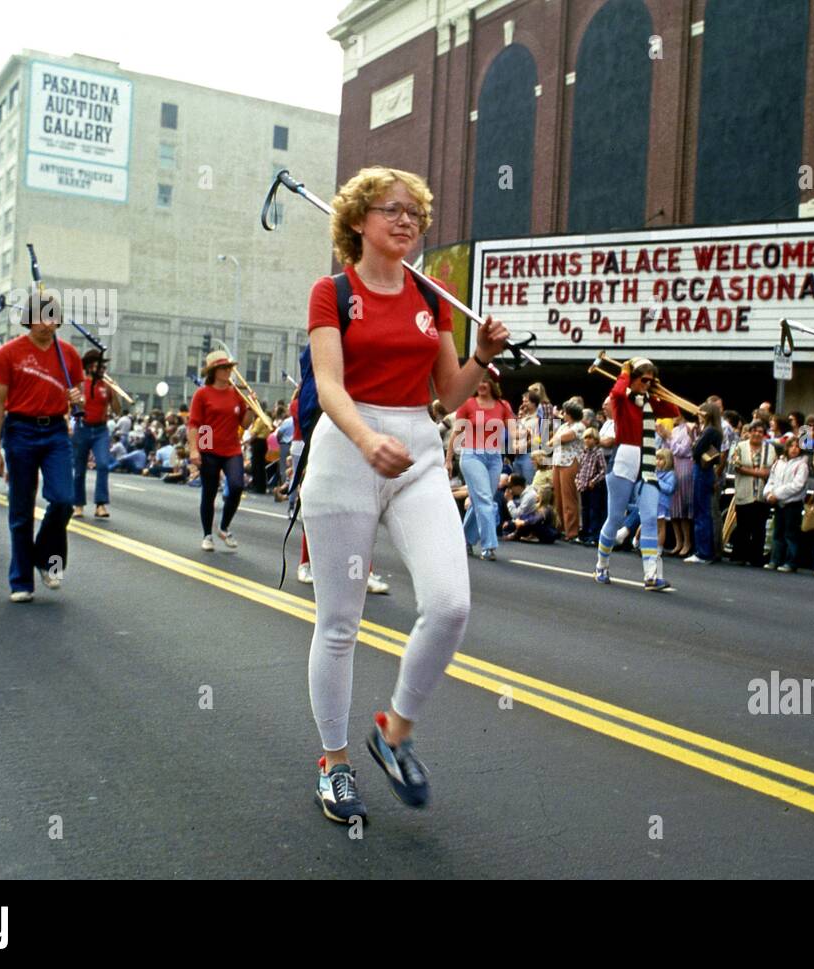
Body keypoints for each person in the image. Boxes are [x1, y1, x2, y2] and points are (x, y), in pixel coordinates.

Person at [299, 165, 509, 824]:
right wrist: (365, 440)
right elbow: (329, 386)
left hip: (417, 451)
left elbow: (446, 394)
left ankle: (393, 731)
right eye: (392, 210)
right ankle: (333, 763)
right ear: (359, 220)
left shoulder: (433, 294)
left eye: (415, 212)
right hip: (346, 452)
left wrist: (480, 357)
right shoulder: (331, 292)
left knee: (449, 603)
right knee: (340, 624)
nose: (407, 221)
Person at [0, 291, 86, 602]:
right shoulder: (9, 353)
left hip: (56, 430)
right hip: (20, 430)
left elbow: (78, 391)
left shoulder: (67, 353)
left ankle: (44, 557)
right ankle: (21, 581)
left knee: (64, 500)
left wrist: (77, 398)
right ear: (29, 319)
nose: (46, 324)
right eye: (41, 317)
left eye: (52, 317)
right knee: (21, 509)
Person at [593, 357, 679, 591]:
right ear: (633, 378)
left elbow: (673, 409)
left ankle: (652, 574)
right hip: (623, 459)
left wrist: (657, 387)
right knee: (615, 518)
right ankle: (602, 564)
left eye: (651, 381)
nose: (647, 384)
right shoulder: (622, 400)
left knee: (650, 517)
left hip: (647, 462)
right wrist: (625, 372)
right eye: (644, 380)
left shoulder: (650, 402)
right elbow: (617, 392)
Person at [187, 350, 256, 552]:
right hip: (208, 445)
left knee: (236, 486)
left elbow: (244, 423)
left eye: (229, 367)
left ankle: (224, 526)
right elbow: (194, 424)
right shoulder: (202, 393)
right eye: (223, 368)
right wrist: (194, 450)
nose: (228, 371)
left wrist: (251, 407)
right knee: (209, 492)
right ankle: (207, 534)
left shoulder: (237, 393)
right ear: (214, 371)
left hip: (232, 447)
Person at [449, 375, 514, 560]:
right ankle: (489, 546)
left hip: (494, 457)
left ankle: (464, 541)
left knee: (480, 500)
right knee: (486, 500)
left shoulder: (503, 406)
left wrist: (521, 437)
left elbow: (514, 429)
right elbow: (457, 432)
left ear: (492, 384)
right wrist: (448, 460)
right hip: (471, 455)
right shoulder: (468, 404)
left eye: (485, 381)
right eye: (478, 381)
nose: (481, 384)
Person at [72, 349, 122, 520]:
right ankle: (78, 504)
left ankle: (100, 504)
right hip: (82, 428)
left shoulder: (106, 386)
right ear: (89, 367)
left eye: (103, 365)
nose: (102, 368)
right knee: (79, 470)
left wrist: (114, 393)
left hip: (101, 430)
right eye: (98, 365)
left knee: (102, 464)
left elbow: (117, 410)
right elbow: (69, 406)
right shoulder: (80, 385)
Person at [727, 420, 776, 567]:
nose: (757, 434)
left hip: (762, 493)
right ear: (750, 432)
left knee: (759, 527)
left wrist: (760, 473)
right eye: (754, 431)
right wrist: (756, 472)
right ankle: (739, 555)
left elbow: (773, 468)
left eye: (760, 432)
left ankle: (755, 558)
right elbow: (735, 465)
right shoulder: (739, 446)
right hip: (744, 491)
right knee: (743, 525)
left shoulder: (770, 448)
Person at [764, 436, 810, 572]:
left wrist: (777, 494)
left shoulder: (802, 465)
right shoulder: (779, 463)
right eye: (792, 446)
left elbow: (797, 485)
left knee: (791, 534)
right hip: (779, 503)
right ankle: (775, 560)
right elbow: (771, 479)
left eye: (797, 446)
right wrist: (768, 494)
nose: (794, 449)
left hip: (792, 503)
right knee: (777, 533)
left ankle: (791, 562)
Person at [685, 402, 723, 563]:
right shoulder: (716, 431)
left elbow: (696, 451)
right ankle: (706, 550)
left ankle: (703, 551)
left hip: (702, 470)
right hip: (706, 470)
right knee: (704, 510)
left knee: (701, 511)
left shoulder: (709, 431)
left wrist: (693, 437)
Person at [548, 400, 585, 542]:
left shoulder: (579, 426)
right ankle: (560, 527)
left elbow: (563, 438)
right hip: (558, 462)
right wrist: (556, 439)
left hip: (570, 462)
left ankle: (572, 531)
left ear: (570, 413)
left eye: (565, 412)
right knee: (558, 497)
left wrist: (556, 439)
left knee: (569, 497)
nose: (563, 414)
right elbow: (552, 440)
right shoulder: (564, 425)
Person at [667, 413, 695, 556]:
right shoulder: (675, 430)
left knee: (684, 506)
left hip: (685, 467)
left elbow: (683, 450)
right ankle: (678, 542)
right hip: (674, 466)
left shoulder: (690, 429)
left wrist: (669, 438)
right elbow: (669, 449)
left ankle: (687, 542)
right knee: (674, 508)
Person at [575, 426, 607, 546]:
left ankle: (594, 535)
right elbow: (580, 468)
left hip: (594, 487)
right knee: (585, 510)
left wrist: (594, 481)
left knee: (594, 510)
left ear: (596, 440)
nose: (587, 441)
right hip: (583, 486)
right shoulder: (583, 453)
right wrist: (577, 480)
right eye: (586, 438)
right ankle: (584, 533)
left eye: (590, 438)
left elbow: (603, 470)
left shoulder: (598, 453)